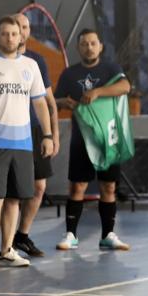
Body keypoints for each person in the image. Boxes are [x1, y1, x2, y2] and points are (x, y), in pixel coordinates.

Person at [0, 16, 53, 268]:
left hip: (23, 143)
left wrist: (47, 135)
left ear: (21, 36)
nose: (10, 38)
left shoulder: (31, 66)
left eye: (14, 34)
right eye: (4, 33)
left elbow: (40, 103)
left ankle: (7, 249)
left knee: (15, 198)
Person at [54, 28, 131, 251]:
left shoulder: (110, 68)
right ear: (78, 48)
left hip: (108, 138)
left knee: (108, 186)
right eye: (84, 44)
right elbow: (56, 99)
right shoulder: (69, 74)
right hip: (82, 139)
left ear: (100, 46)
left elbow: (125, 86)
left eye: (93, 43)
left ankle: (108, 235)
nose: (89, 47)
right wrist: (62, 104)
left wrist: (97, 92)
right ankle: (70, 234)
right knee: (77, 186)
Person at [11, 12, 60, 257]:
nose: (21, 30)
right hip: (10, 131)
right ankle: (4, 244)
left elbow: (49, 103)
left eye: (25, 26)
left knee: (38, 187)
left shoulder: (37, 61)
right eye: (17, 25)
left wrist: (53, 135)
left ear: (29, 32)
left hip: (36, 131)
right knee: (12, 192)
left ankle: (22, 236)